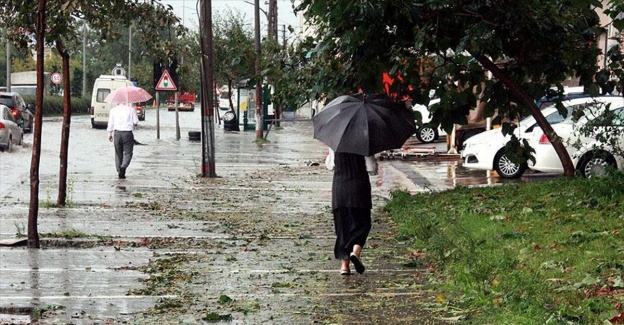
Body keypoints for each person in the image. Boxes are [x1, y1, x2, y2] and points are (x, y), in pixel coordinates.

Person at [326, 148, 378, 275]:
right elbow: (371, 168)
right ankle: (355, 252)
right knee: (362, 223)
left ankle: (344, 266)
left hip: (340, 189)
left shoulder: (335, 142)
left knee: (343, 228)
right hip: (359, 188)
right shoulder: (364, 143)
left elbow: (330, 165)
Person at [107, 103, 138, 179]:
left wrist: (109, 134)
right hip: (127, 133)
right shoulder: (131, 109)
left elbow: (110, 124)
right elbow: (136, 122)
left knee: (118, 154)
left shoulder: (113, 110)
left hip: (117, 133)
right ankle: (123, 167)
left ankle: (119, 172)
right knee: (128, 153)